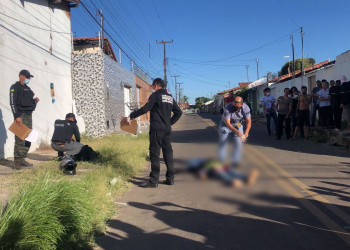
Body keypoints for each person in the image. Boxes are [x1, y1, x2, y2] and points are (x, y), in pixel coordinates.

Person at [129, 78, 182, 188]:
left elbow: (145, 109)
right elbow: (178, 112)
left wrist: (131, 116)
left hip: (157, 130)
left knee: (154, 153)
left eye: (153, 86)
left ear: (157, 85)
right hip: (167, 130)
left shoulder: (156, 95)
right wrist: (169, 123)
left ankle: (153, 181)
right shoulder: (170, 97)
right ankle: (170, 179)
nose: (152, 88)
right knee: (168, 153)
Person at [9, 69, 39, 169]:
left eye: (29, 77)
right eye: (27, 77)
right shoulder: (15, 87)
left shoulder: (28, 89)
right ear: (21, 76)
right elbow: (13, 103)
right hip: (20, 116)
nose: (28, 79)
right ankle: (17, 161)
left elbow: (30, 104)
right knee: (20, 138)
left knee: (28, 138)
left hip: (29, 115)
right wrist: (16, 116)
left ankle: (22, 158)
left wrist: (35, 101)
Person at [219, 96, 251, 167]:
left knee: (238, 143)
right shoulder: (228, 107)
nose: (236, 109)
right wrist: (237, 131)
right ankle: (222, 161)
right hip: (225, 125)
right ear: (233, 103)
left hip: (238, 124)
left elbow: (248, 121)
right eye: (234, 107)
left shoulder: (246, 108)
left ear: (242, 104)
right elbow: (228, 123)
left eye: (238, 108)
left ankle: (235, 161)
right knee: (223, 142)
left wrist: (247, 132)